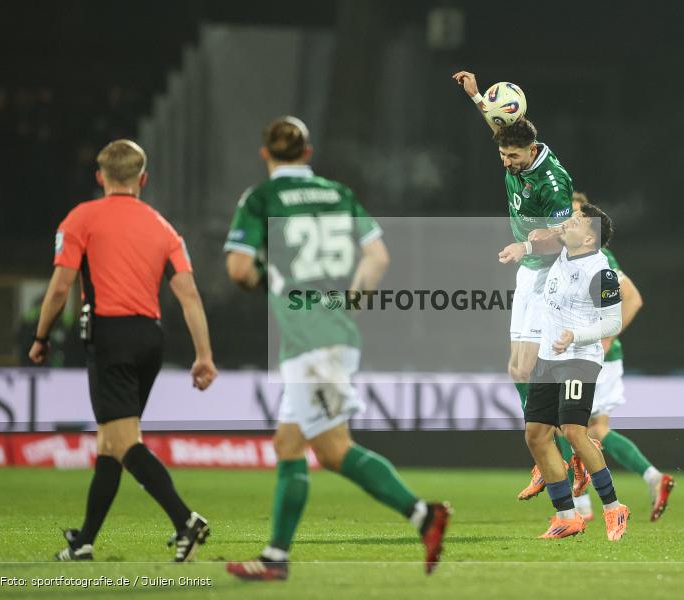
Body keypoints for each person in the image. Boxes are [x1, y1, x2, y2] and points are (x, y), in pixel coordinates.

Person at [223, 116, 450, 582]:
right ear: (308, 153)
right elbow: (379, 257)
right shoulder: (338, 194)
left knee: (332, 447)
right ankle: (279, 556)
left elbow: (239, 270)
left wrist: (277, 283)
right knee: (300, 445)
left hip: (311, 341)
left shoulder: (261, 199)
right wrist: (351, 299)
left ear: (265, 154)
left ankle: (421, 515)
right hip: (330, 331)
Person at [29, 139, 217, 562]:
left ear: (100, 177)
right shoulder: (164, 227)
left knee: (122, 441)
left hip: (109, 336)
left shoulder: (81, 218)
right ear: (143, 179)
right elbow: (189, 296)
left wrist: (41, 337)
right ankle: (85, 541)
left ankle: (185, 519)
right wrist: (203, 354)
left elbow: (61, 286)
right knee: (112, 442)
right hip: (150, 339)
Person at [452, 70, 583, 503]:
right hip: (528, 267)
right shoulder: (514, 147)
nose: (506, 164)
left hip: (551, 272)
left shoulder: (552, 180)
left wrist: (524, 242)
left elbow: (563, 232)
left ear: (532, 150)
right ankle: (561, 456)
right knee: (517, 370)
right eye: (504, 156)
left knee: (537, 368)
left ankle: (561, 455)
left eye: (513, 158)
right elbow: (499, 129)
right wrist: (475, 97)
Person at [564, 191, 674, 522]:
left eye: (573, 215)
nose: (565, 220)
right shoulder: (568, 256)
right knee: (594, 431)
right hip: (586, 354)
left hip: (595, 357)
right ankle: (654, 478)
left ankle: (579, 507)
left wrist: (605, 339)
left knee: (567, 426)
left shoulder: (599, 257)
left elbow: (633, 298)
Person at [524, 203, 628, 540]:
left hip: (579, 358)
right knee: (536, 434)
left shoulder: (601, 272)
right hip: (547, 357)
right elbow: (535, 236)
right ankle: (566, 516)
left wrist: (576, 335)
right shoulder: (560, 255)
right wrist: (522, 246)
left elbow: (613, 321)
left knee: (572, 430)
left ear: (589, 237)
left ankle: (614, 507)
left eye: (579, 220)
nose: (571, 221)